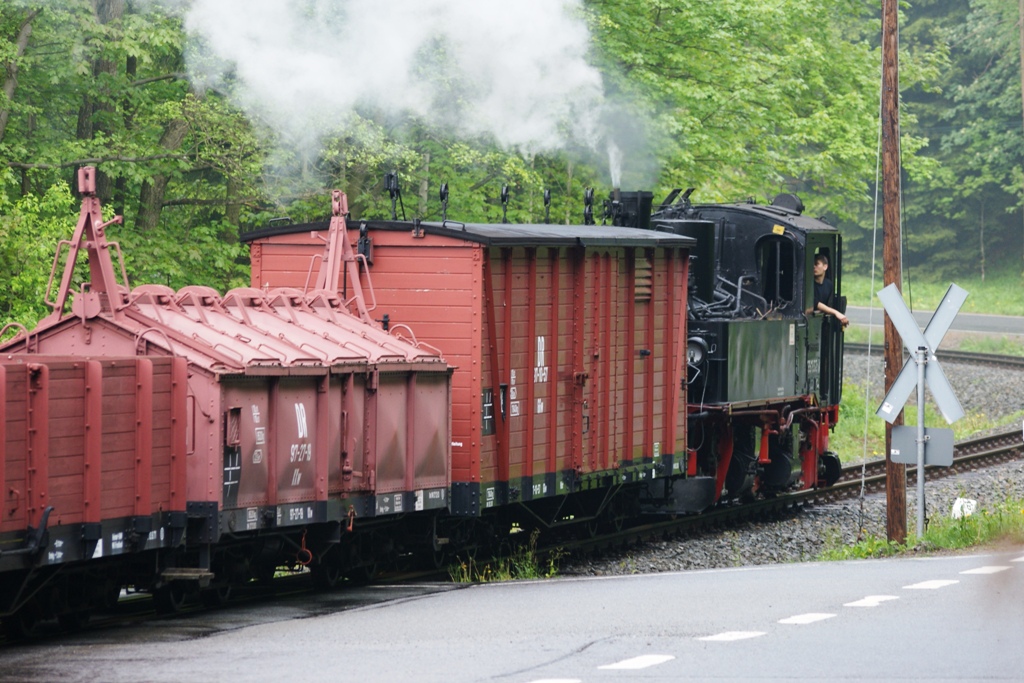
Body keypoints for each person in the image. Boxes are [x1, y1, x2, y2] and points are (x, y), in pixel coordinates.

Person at [812, 254, 849, 327]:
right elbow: (815, 303)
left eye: (817, 264)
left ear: (825, 267)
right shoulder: (809, 285)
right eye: (812, 264)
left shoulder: (829, 285)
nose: (814, 266)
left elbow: (828, 305)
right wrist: (836, 313)